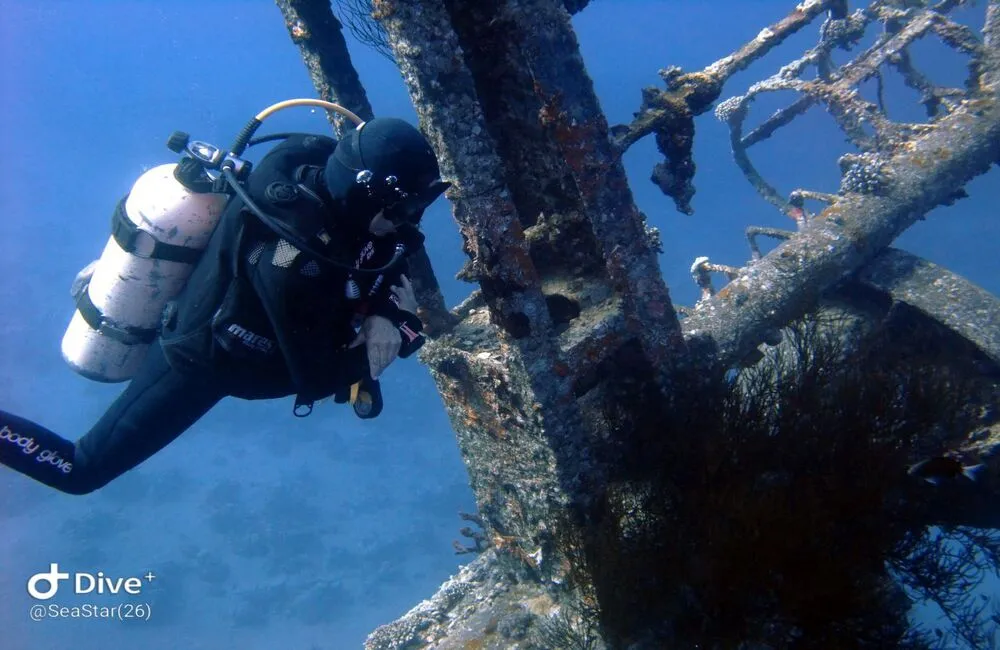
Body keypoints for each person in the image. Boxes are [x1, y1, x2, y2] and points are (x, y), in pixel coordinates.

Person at [0, 117, 450, 495]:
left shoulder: (309, 164)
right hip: (201, 358)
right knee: (81, 471)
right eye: (406, 207)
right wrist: (400, 330)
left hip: (242, 299)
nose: (411, 221)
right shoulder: (296, 264)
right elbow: (311, 377)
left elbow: (387, 254)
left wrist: (384, 314)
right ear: (363, 191)